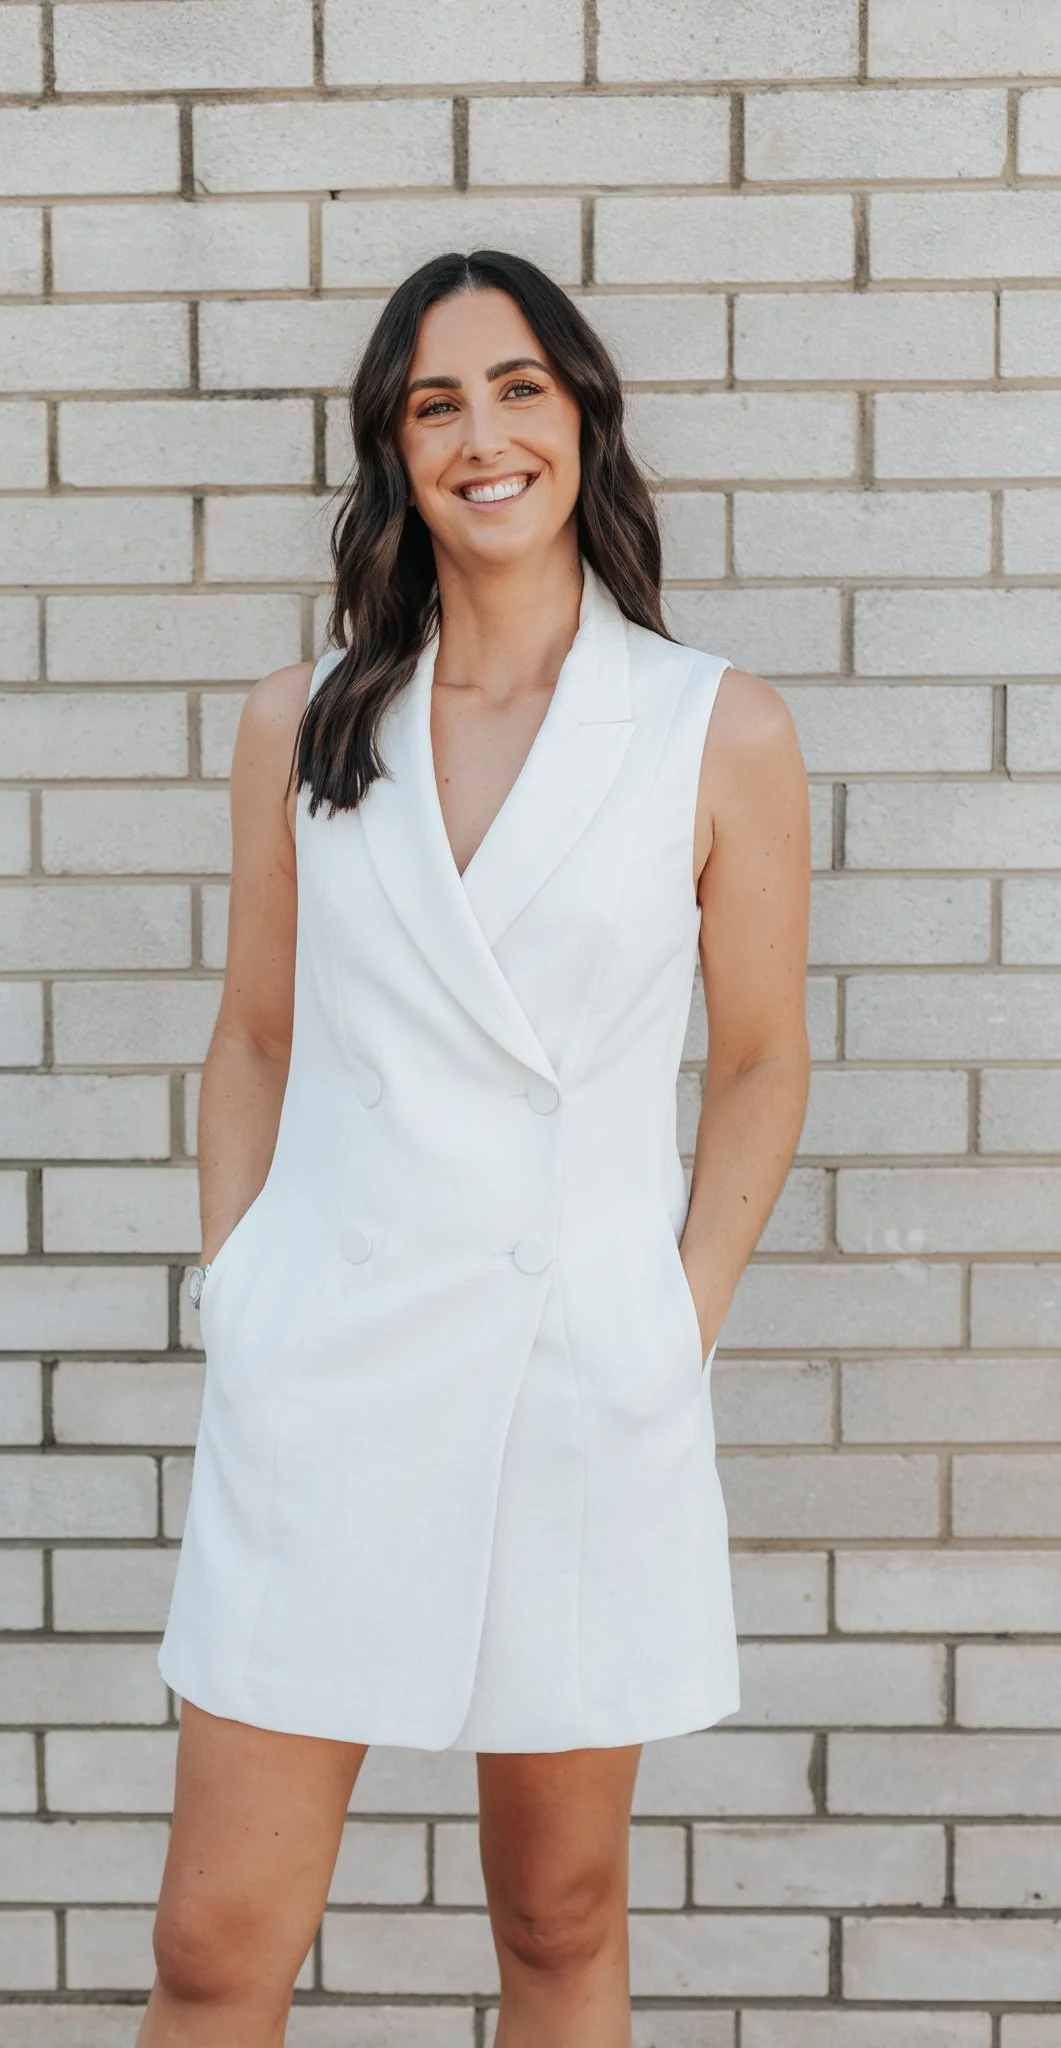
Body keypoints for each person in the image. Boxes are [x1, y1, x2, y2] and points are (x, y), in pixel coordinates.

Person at [138, 249, 811, 2048]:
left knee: (557, 1914)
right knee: (213, 1944)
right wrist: (246, 1293)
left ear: (581, 415)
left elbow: (759, 1064)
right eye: (436, 402)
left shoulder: (711, 727)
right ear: (395, 451)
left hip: (576, 1375)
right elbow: (256, 1034)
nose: (483, 433)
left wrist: (672, 1326)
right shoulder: (307, 723)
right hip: (331, 1371)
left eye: (519, 386)